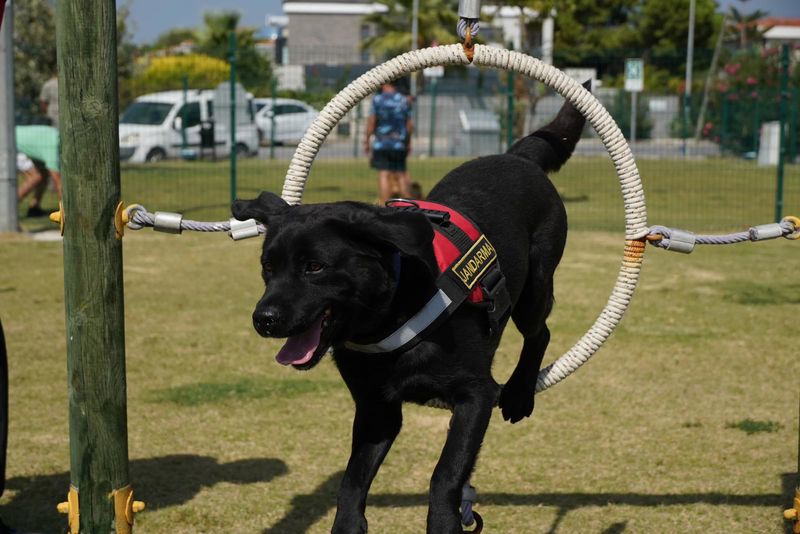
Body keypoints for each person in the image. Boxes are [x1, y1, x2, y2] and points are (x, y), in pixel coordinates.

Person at [364, 81, 413, 204]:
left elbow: (371, 122)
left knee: (384, 174)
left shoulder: (377, 100)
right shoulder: (403, 99)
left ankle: (387, 206)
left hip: (382, 143)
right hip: (399, 143)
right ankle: (409, 206)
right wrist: (408, 142)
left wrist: (366, 140)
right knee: (401, 174)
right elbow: (409, 124)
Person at [15, 125, 62, 218]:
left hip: (17, 138)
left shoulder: (56, 139)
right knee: (35, 177)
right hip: (9, 142)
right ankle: (6, 209)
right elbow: (58, 182)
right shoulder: (53, 145)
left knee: (43, 175)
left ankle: (34, 208)